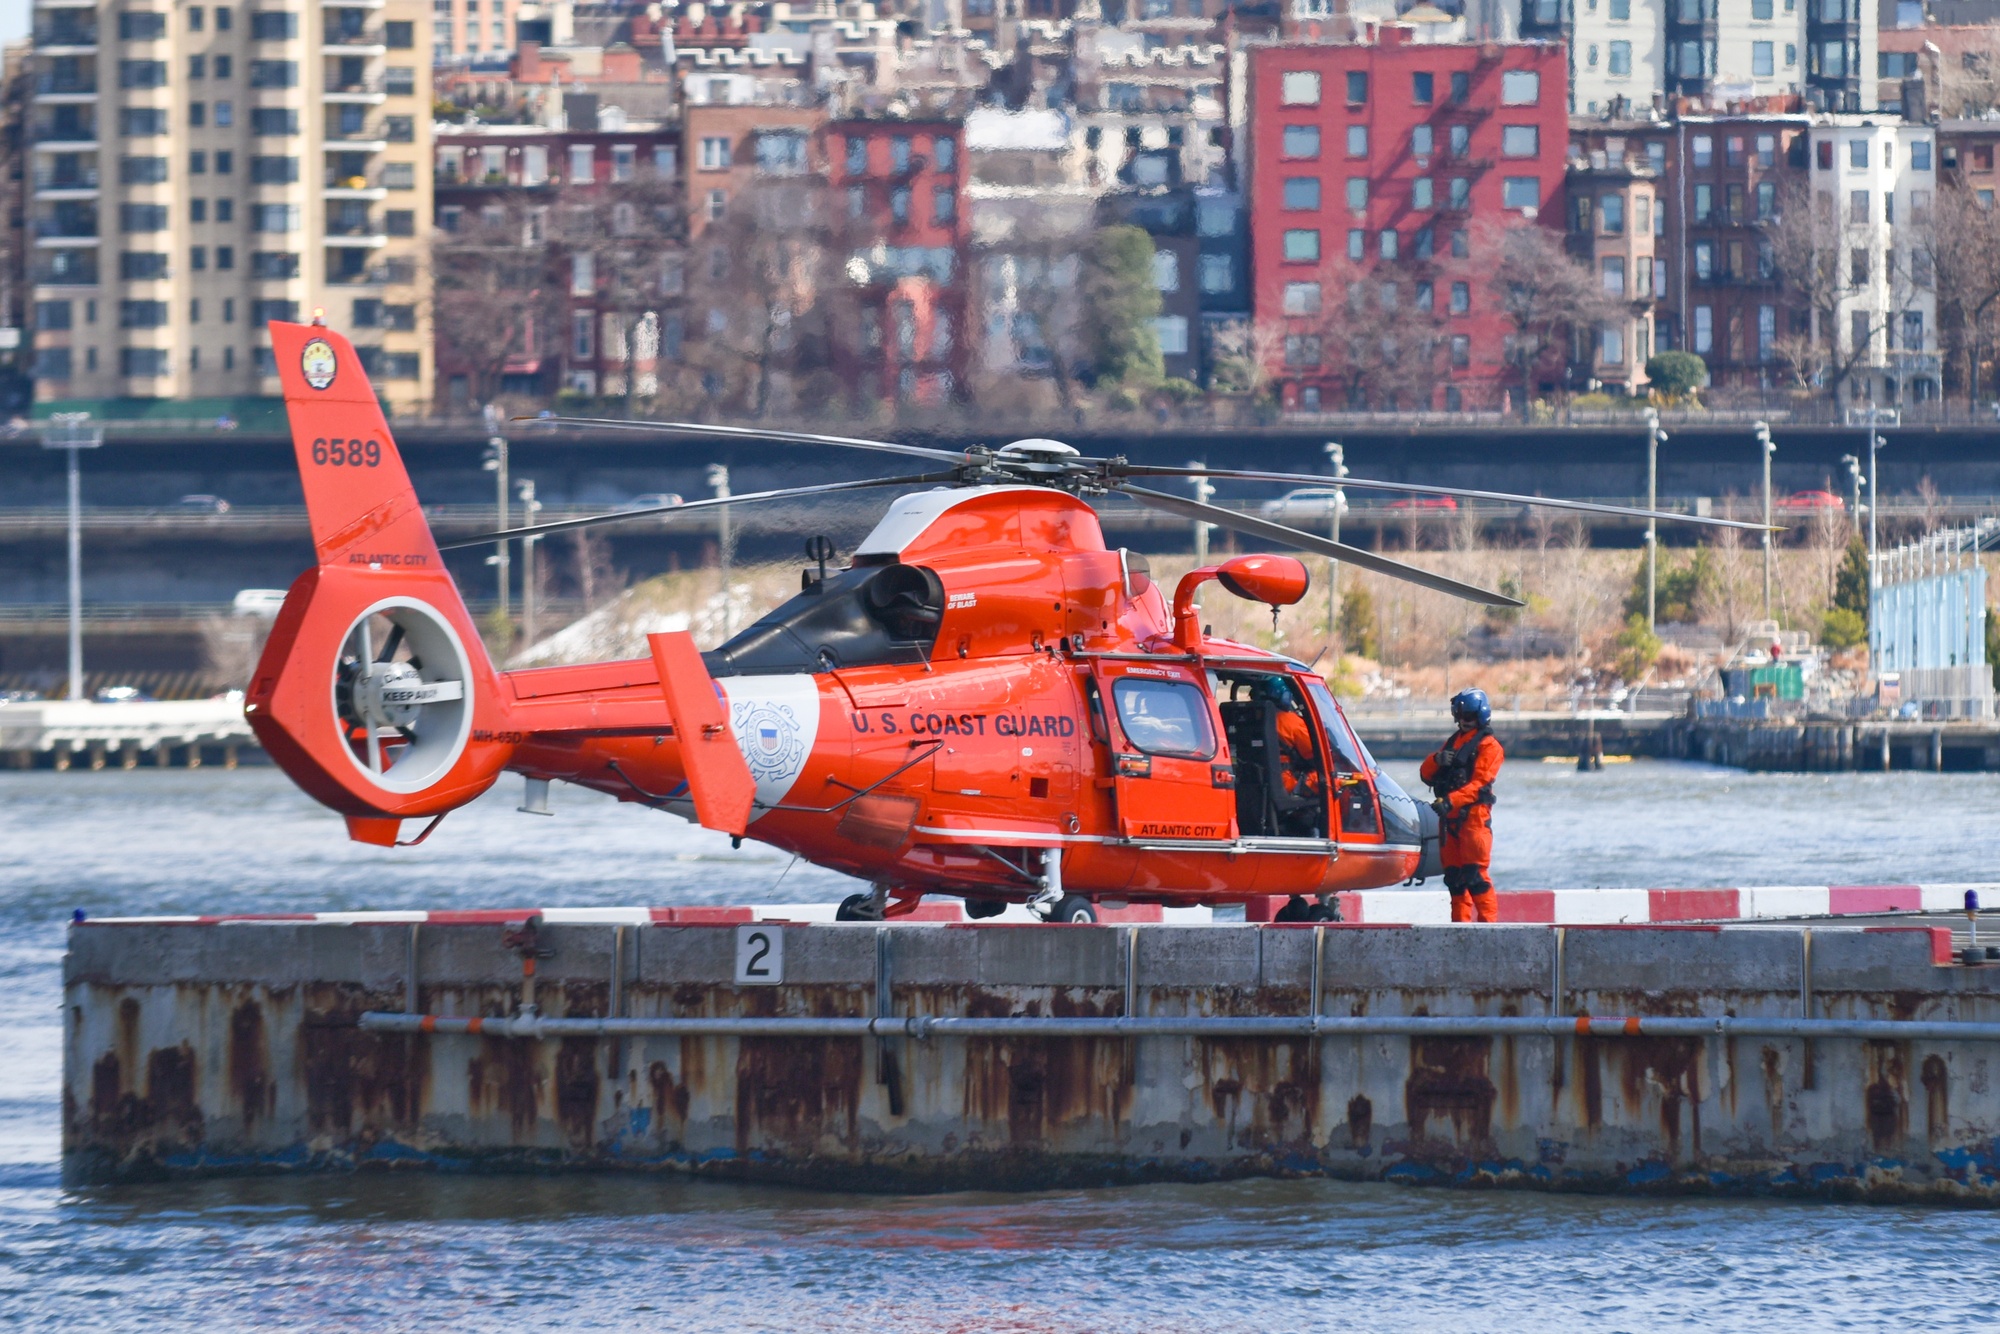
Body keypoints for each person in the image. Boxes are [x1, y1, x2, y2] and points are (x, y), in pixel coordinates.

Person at [1419, 687, 1504, 922]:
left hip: (1474, 818)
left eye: (1469, 717)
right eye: (1461, 716)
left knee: (1475, 876)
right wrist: (1436, 760)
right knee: (1455, 879)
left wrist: (1450, 801)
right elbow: (1426, 775)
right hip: (1449, 821)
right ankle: (1460, 929)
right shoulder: (1453, 742)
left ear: (1480, 716)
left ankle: (1489, 928)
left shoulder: (1489, 746)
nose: (1464, 721)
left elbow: (1480, 784)